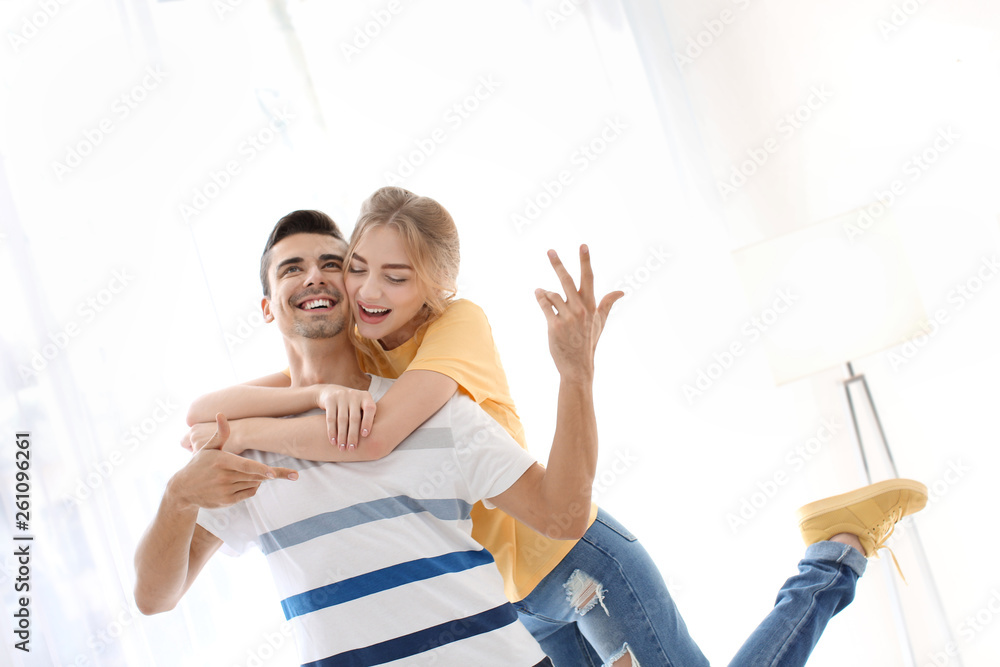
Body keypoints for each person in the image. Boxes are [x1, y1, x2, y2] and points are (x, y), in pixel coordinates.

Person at [181, 197, 929, 666]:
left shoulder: (456, 329)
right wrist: (228, 425)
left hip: (574, 554)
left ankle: (833, 555)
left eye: (398, 276)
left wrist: (238, 429)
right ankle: (832, 552)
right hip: (512, 596)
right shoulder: (367, 344)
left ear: (435, 288)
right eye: (360, 268)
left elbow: (372, 438)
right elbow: (236, 399)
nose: (371, 289)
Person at [135, 210, 618, 666]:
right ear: (267, 308)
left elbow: (562, 515)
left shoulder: (434, 411)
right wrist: (177, 497)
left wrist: (577, 376)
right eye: (291, 269)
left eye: (331, 265)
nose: (313, 277)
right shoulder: (242, 450)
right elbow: (154, 597)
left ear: (355, 292)